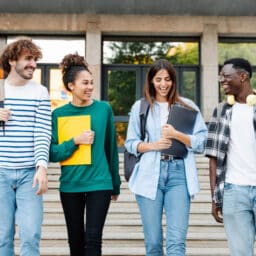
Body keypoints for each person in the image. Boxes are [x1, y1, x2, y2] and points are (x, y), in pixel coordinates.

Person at [125, 59, 207, 256]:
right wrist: (154, 145)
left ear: (173, 81)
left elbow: (203, 142)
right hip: (148, 174)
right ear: (151, 81)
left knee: (176, 243)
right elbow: (130, 143)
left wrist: (177, 135)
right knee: (153, 243)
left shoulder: (188, 106)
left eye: (168, 79)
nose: (163, 84)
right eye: (159, 79)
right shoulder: (140, 107)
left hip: (179, 175)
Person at [49, 53, 121, 256]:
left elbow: (111, 149)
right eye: (85, 83)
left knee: (93, 240)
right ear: (71, 86)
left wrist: (115, 184)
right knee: (75, 241)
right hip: (71, 185)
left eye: (91, 83)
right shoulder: (58, 114)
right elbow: (52, 153)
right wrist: (75, 142)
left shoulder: (103, 109)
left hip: (100, 183)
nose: (90, 87)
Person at [0, 37, 51, 255]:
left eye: (35, 59)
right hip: (0, 172)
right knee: (2, 237)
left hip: (29, 173)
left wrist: (42, 167)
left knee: (30, 235)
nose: (33, 64)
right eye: (28, 59)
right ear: (12, 60)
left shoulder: (40, 92)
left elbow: (42, 131)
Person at [205, 57, 256, 256]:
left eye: (226, 76)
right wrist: (214, 198)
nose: (222, 80)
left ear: (243, 76)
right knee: (240, 252)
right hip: (234, 192)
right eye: (221, 77)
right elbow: (213, 158)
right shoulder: (220, 110)